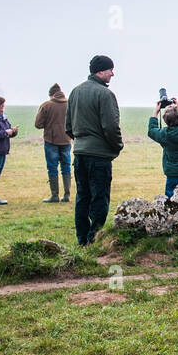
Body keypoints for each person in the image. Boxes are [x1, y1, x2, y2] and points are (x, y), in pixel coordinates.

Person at [65, 55, 123, 246]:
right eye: (110, 70)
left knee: (82, 196)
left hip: (79, 153)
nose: (113, 74)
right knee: (100, 197)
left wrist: (81, 142)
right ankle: (95, 237)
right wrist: (117, 146)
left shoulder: (74, 92)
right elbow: (111, 127)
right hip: (99, 156)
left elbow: (68, 127)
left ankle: (82, 239)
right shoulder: (105, 94)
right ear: (101, 71)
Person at [34, 82, 72, 203]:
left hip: (51, 140)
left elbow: (38, 124)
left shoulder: (46, 105)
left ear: (51, 95)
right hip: (66, 140)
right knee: (66, 167)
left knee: (52, 167)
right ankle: (67, 195)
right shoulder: (70, 104)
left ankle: (54, 195)